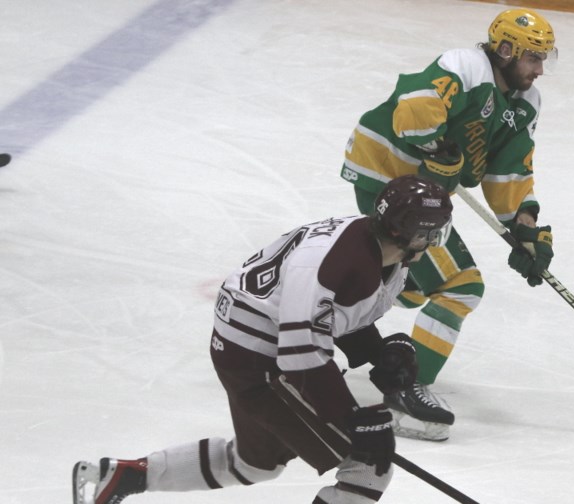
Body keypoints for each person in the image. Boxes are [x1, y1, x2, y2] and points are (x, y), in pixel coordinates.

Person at [71, 175, 454, 504]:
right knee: (370, 462)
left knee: (254, 465)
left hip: (255, 342)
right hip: (260, 355)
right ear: (412, 232)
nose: (437, 239)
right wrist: (349, 419)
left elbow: (326, 317)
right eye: (433, 232)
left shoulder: (379, 253)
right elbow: (300, 352)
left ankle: (118, 477)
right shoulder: (334, 259)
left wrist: (378, 353)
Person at [339, 8, 557, 441]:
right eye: (533, 58)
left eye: (544, 59)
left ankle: (314, 309)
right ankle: (403, 389)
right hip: (388, 177)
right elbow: (414, 106)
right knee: (460, 286)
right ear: (506, 50)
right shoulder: (466, 66)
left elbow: (510, 170)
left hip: (421, 193)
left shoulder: (525, 103)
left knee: (412, 286)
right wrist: (439, 149)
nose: (539, 70)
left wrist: (527, 228)